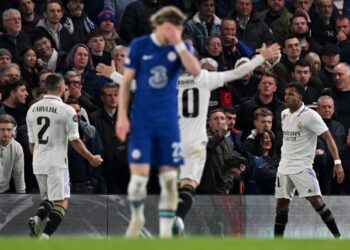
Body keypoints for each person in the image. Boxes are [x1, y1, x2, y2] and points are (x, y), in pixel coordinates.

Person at [116, 6, 200, 238]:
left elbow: (195, 70)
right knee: (139, 175)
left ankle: (169, 226)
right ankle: (136, 218)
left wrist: (179, 43)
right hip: (142, 119)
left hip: (168, 123)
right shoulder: (140, 46)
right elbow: (125, 82)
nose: (178, 32)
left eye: (180, 28)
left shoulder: (182, 47)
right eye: (174, 28)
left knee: (170, 177)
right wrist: (122, 117)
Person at [26, 73, 103, 239]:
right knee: (62, 200)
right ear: (62, 88)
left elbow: (31, 143)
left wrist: (39, 157)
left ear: (46, 87)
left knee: (49, 199)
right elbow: (75, 140)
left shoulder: (32, 109)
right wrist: (92, 158)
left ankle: (38, 217)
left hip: (38, 162)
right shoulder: (67, 110)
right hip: (57, 163)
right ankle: (45, 237)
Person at [274, 82, 344, 238]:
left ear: (300, 96)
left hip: (302, 167)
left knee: (317, 202)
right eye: (285, 94)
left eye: (291, 94)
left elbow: (328, 137)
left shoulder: (311, 115)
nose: (287, 97)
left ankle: (338, 238)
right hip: (284, 167)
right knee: (282, 205)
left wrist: (338, 163)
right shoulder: (284, 113)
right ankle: (276, 243)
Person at [0, 114, 25, 193]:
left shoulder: (17, 147)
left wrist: (22, 197)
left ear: (13, 131)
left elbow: (19, 174)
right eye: (2, 129)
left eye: (9, 130)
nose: (6, 133)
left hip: (4, 191)